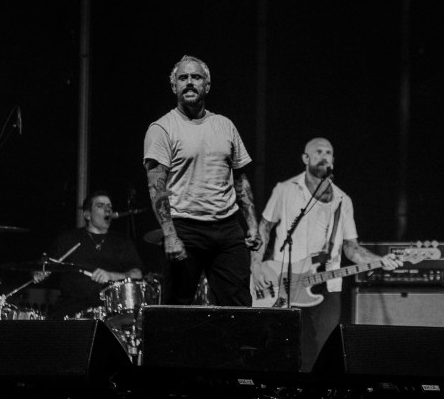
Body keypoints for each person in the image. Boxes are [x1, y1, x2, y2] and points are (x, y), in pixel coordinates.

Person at [252, 137, 403, 372]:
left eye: (329, 152)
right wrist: (256, 266)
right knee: (283, 350)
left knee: (324, 353)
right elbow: (264, 228)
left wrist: (379, 261)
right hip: (283, 283)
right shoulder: (285, 190)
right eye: (319, 151)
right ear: (306, 158)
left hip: (327, 285)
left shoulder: (342, 200)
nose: (324, 156)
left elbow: (351, 248)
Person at [143, 55, 262, 307]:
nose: (189, 82)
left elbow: (240, 179)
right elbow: (157, 186)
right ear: (174, 86)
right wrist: (170, 234)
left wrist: (251, 224)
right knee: (177, 307)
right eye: (182, 78)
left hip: (228, 228)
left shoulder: (225, 125)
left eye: (195, 77)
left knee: (239, 306)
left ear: (206, 85)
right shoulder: (162, 128)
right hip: (186, 228)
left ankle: (237, 348)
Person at [33, 191, 146, 320]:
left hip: (110, 311)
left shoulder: (122, 242)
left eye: (109, 206)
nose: (107, 209)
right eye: (100, 205)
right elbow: (45, 261)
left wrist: (111, 276)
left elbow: (137, 274)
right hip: (70, 309)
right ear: (87, 214)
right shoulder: (68, 239)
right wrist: (40, 271)